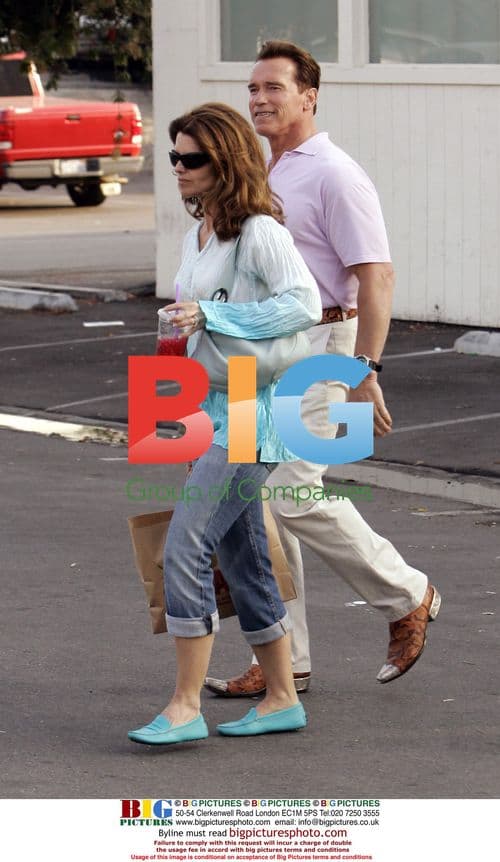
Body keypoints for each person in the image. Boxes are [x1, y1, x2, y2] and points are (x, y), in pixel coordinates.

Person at [204, 40, 441, 699]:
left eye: (273, 88)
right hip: (258, 352)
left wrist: (365, 368)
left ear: (309, 96)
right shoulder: (259, 170)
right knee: (254, 505)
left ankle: (407, 593)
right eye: (253, 89)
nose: (259, 99)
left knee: (288, 490)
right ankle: (285, 659)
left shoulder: (336, 174)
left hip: (321, 344)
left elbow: (377, 276)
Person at [127, 102, 322, 745]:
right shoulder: (200, 233)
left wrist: (214, 317)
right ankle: (283, 698)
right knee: (244, 558)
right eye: (174, 156)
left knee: (186, 547)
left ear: (226, 161)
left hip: (248, 407)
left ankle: (185, 706)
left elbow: (303, 304)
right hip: (208, 404)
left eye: (192, 158)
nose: (178, 167)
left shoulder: (259, 231)